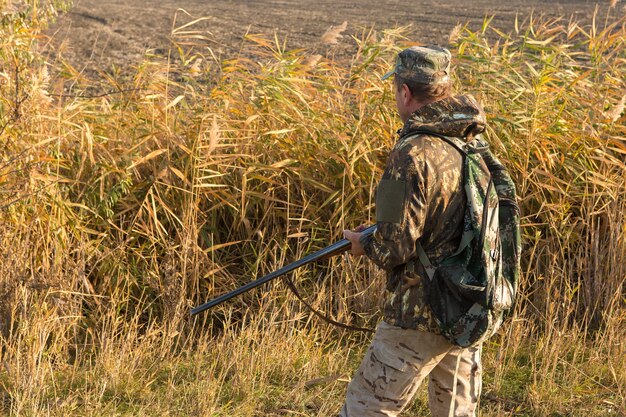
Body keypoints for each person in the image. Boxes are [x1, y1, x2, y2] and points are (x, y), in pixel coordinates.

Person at [340, 45, 487, 417]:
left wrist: (363, 243)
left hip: (419, 311)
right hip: (466, 306)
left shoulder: (410, 153)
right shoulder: (471, 142)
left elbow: (393, 247)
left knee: (366, 410)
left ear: (405, 92)